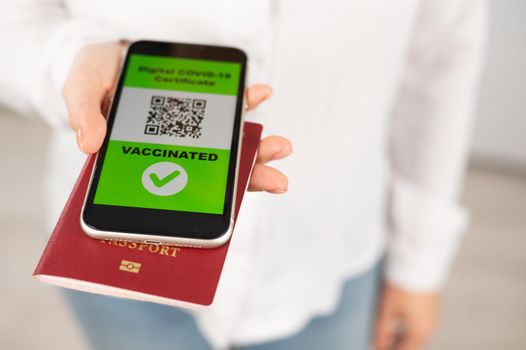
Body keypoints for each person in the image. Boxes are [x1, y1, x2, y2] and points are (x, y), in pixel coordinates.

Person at [0, 1, 486, 349]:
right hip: (112, 269)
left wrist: (419, 265)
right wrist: (68, 60)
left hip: (327, 257)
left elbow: (441, 61)